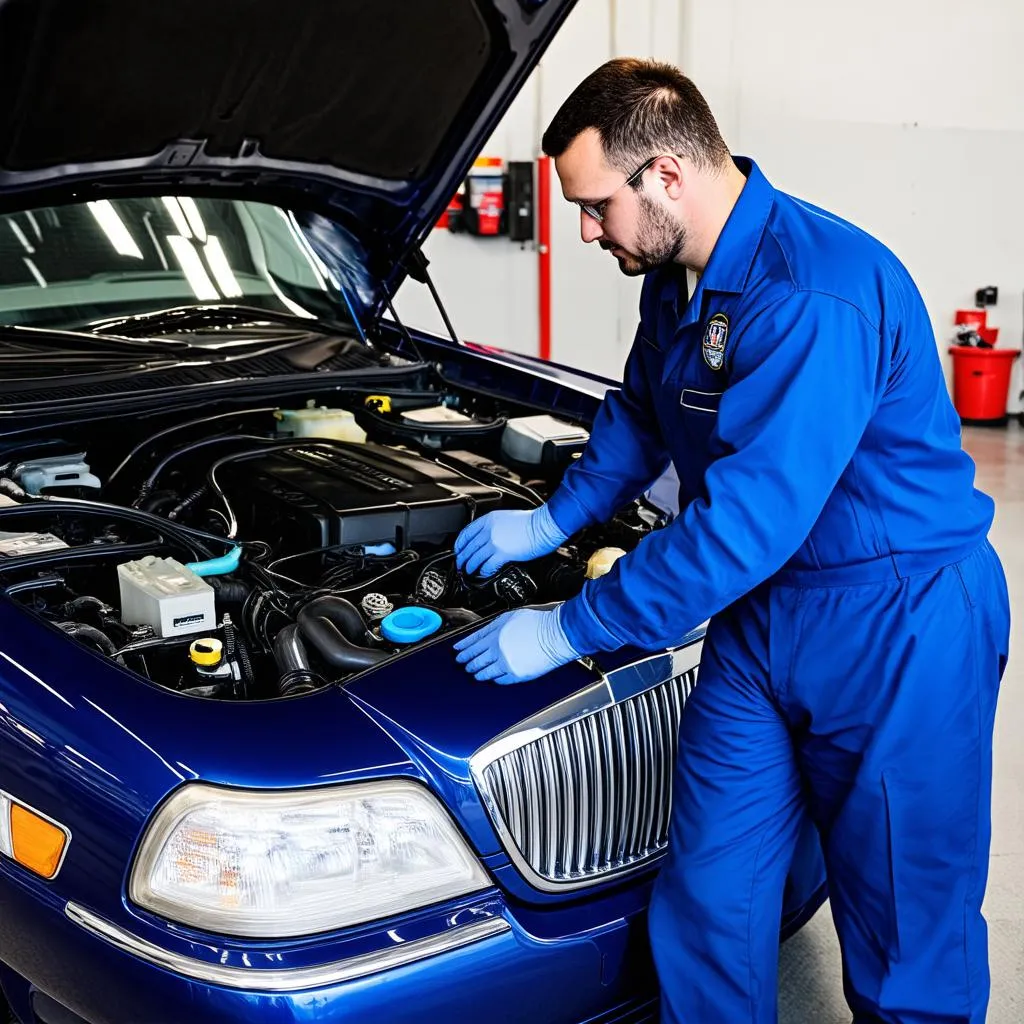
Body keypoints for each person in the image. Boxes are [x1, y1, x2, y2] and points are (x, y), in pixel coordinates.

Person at [452, 58, 1011, 1023]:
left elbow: (741, 529)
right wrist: (556, 518)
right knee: (713, 887)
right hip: (764, 618)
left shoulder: (810, 293)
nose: (586, 229)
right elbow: (638, 412)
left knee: (904, 921)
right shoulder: (676, 280)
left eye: (595, 206)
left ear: (666, 175)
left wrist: (569, 627)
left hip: (896, 623)